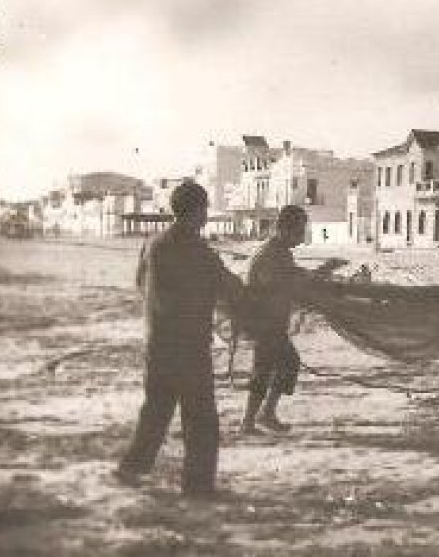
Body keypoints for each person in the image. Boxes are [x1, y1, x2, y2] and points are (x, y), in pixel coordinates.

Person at [115, 181, 245, 497]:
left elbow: (139, 283)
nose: (206, 215)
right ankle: (197, 487)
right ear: (199, 211)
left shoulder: (153, 243)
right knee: (200, 420)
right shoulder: (202, 253)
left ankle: (131, 469)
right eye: (205, 209)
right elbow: (233, 291)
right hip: (190, 350)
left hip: (158, 344)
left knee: (156, 410)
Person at [239, 205, 344, 435]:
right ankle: (255, 418)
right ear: (284, 229)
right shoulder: (270, 254)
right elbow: (287, 282)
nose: (300, 237)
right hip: (264, 323)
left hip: (270, 322)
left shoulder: (279, 251)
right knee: (275, 366)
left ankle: (258, 417)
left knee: (274, 366)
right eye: (298, 231)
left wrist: (321, 272)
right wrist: (322, 273)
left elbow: (294, 277)